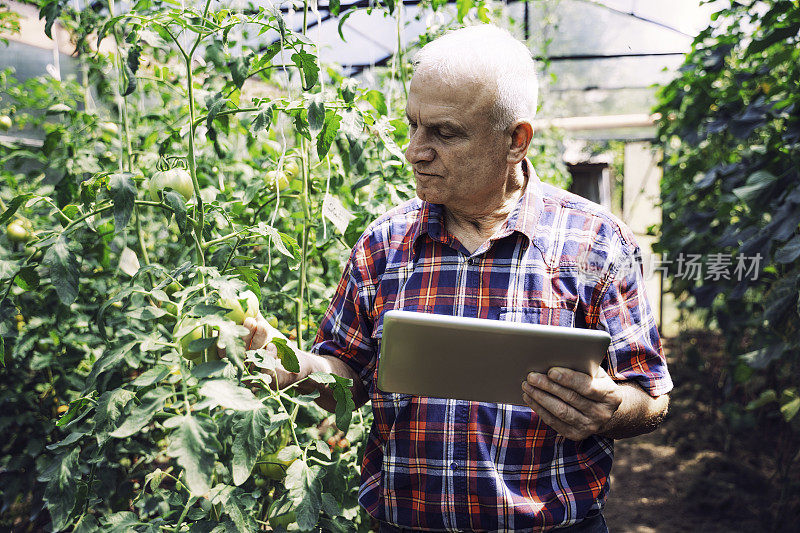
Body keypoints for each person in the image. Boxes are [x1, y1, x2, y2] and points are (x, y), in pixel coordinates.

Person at [243, 24, 672, 532]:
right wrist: (282, 362)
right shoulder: (385, 245)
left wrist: (609, 407)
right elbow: (347, 375)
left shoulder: (594, 242)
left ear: (517, 140)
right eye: (412, 127)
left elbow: (651, 394)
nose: (415, 151)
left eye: (444, 134)